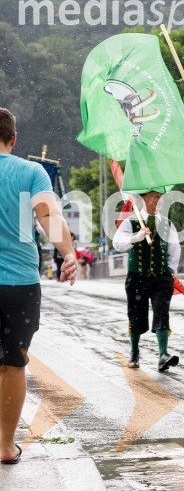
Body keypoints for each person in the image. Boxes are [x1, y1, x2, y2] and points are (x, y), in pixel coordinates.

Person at [0, 107, 76, 465]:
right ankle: (5, 445)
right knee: (13, 362)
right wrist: (69, 253)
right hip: (20, 284)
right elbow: (48, 216)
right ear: (13, 139)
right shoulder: (31, 172)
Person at [112, 189, 181, 372]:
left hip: (161, 277)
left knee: (162, 313)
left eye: (161, 197)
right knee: (136, 314)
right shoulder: (131, 222)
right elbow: (117, 243)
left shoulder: (167, 224)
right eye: (156, 197)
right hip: (137, 277)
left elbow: (175, 249)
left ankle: (163, 355)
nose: (159, 200)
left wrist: (170, 271)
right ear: (145, 198)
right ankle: (134, 352)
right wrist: (136, 237)